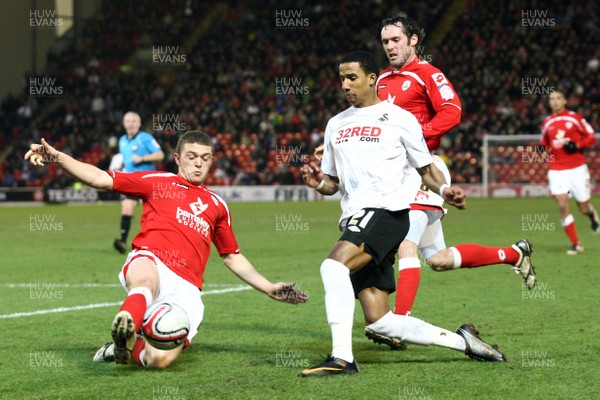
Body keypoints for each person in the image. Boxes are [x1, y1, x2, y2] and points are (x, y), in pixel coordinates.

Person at [25, 131, 308, 369]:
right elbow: (101, 178)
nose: (199, 164)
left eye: (205, 158)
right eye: (192, 157)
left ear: (211, 162)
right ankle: (128, 321)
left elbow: (231, 255)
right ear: (177, 158)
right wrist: (57, 157)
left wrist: (269, 287)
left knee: (159, 360)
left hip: (186, 288)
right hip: (152, 260)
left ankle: (121, 347)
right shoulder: (157, 182)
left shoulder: (217, 205)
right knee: (146, 281)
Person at [298, 51, 504, 377]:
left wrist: (445, 191)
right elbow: (332, 183)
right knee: (380, 319)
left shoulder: (399, 118)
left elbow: (426, 167)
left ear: (371, 78)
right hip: (355, 215)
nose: (345, 85)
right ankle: (466, 343)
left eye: (352, 77)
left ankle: (342, 358)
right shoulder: (335, 124)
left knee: (332, 266)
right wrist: (318, 182)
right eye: (341, 79)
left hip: (387, 212)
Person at [375, 14, 536, 323]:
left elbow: (452, 110)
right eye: (385, 42)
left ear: (413, 40)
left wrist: (419, 138)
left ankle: (400, 322)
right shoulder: (380, 80)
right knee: (438, 259)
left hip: (423, 172)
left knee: (406, 244)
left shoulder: (427, 73)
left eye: (396, 40)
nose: (390, 47)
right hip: (393, 176)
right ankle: (514, 254)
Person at [541, 89, 599, 254]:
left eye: (558, 98)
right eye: (552, 99)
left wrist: (577, 145)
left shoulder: (575, 118)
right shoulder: (546, 122)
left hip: (577, 169)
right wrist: (542, 149)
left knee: (582, 207)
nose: (555, 101)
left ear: (565, 101)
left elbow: (591, 136)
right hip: (557, 169)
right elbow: (545, 142)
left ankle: (592, 215)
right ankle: (576, 244)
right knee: (562, 204)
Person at [113, 112, 165, 254]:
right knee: (127, 208)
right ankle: (123, 242)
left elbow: (160, 155)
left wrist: (142, 158)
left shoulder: (145, 138)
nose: (130, 123)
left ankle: (158, 244)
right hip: (131, 181)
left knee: (153, 214)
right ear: (124, 124)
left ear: (139, 123)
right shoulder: (122, 140)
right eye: (128, 121)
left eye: (133, 121)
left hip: (148, 180)